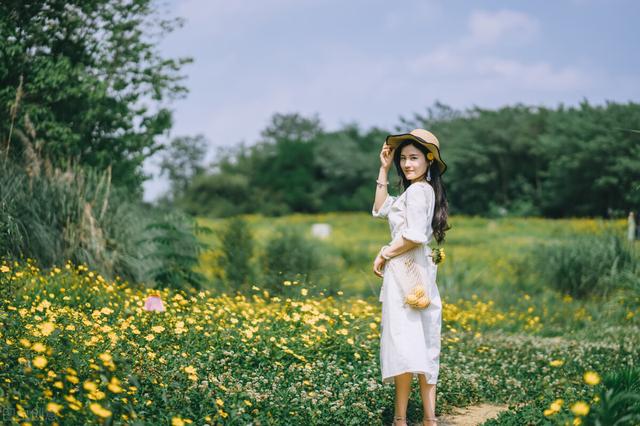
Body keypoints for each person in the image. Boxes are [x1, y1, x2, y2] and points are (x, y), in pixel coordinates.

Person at [372, 129, 450, 426]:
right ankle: (420, 419)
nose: (406, 164)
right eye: (403, 158)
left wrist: (385, 252)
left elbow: (415, 235)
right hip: (414, 272)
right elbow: (380, 208)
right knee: (421, 343)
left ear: (429, 160)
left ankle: (403, 419)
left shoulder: (419, 191)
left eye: (414, 158)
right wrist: (382, 168)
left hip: (407, 271)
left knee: (406, 343)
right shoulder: (413, 192)